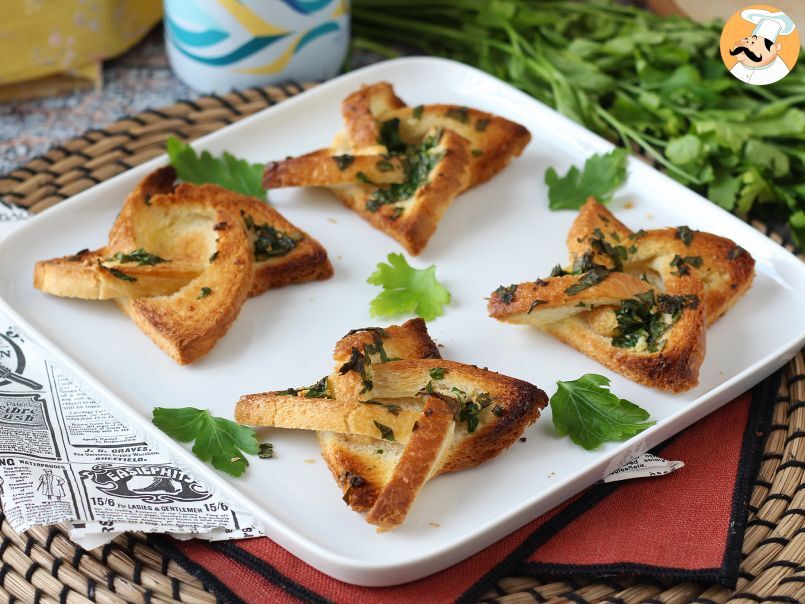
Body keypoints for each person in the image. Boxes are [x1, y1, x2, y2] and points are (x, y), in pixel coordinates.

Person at [729, 9, 796, 86]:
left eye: (753, 43)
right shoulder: (738, 66)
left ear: (775, 47)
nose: (746, 47)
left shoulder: (779, 71)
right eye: (747, 40)